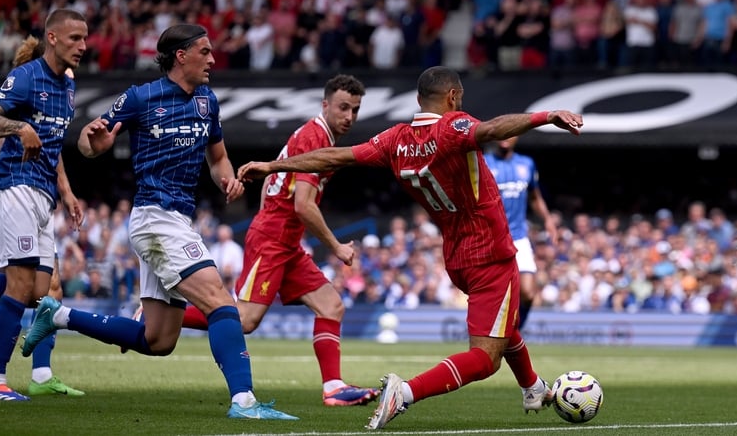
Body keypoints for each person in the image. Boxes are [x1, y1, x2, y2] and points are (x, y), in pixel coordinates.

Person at [236, 66, 583, 429]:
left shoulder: (394, 140)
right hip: (490, 252)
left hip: (457, 257)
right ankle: (405, 392)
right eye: (460, 97)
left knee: (500, 320)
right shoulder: (453, 127)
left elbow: (334, 157)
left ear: (418, 99)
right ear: (453, 97)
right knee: (485, 358)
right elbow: (494, 128)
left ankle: (532, 387)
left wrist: (273, 165)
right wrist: (546, 116)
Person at [21, 23, 297, 420]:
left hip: (176, 219)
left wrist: (227, 179)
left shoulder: (207, 101)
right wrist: (93, 142)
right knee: (221, 303)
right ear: (181, 56)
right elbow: (89, 142)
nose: (213, 59)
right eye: (205, 52)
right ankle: (244, 401)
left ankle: (59, 316)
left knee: (159, 340)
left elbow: (218, 157)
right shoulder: (141, 97)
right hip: (155, 217)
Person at [149, 75, 380, 407]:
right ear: (325, 105)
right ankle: (159, 315)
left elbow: (276, 185)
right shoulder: (314, 137)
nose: (349, 116)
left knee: (331, 305)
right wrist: (336, 246)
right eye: (343, 107)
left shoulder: (315, 134)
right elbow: (303, 205)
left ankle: (333, 387)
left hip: (286, 242)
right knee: (245, 320)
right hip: (273, 239)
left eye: (355, 110)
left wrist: (272, 219)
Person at [0, 9, 87, 402]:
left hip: (44, 197)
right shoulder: (25, 77)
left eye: (85, 39)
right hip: (17, 188)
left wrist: (66, 192)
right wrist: (19, 127)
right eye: (74, 38)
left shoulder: (68, 86)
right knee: (20, 287)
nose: (83, 47)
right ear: (52, 38)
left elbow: (52, 143)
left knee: (41, 292)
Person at [484, 136, 557, 330]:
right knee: (493, 295)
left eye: (510, 133)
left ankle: (514, 333)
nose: (506, 137)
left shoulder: (526, 164)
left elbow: (534, 197)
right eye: (502, 133)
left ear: (516, 137)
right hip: (490, 239)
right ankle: (493, 334)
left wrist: (548, 219)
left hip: (518, 237)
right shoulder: (484, 162)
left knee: (527, 293)